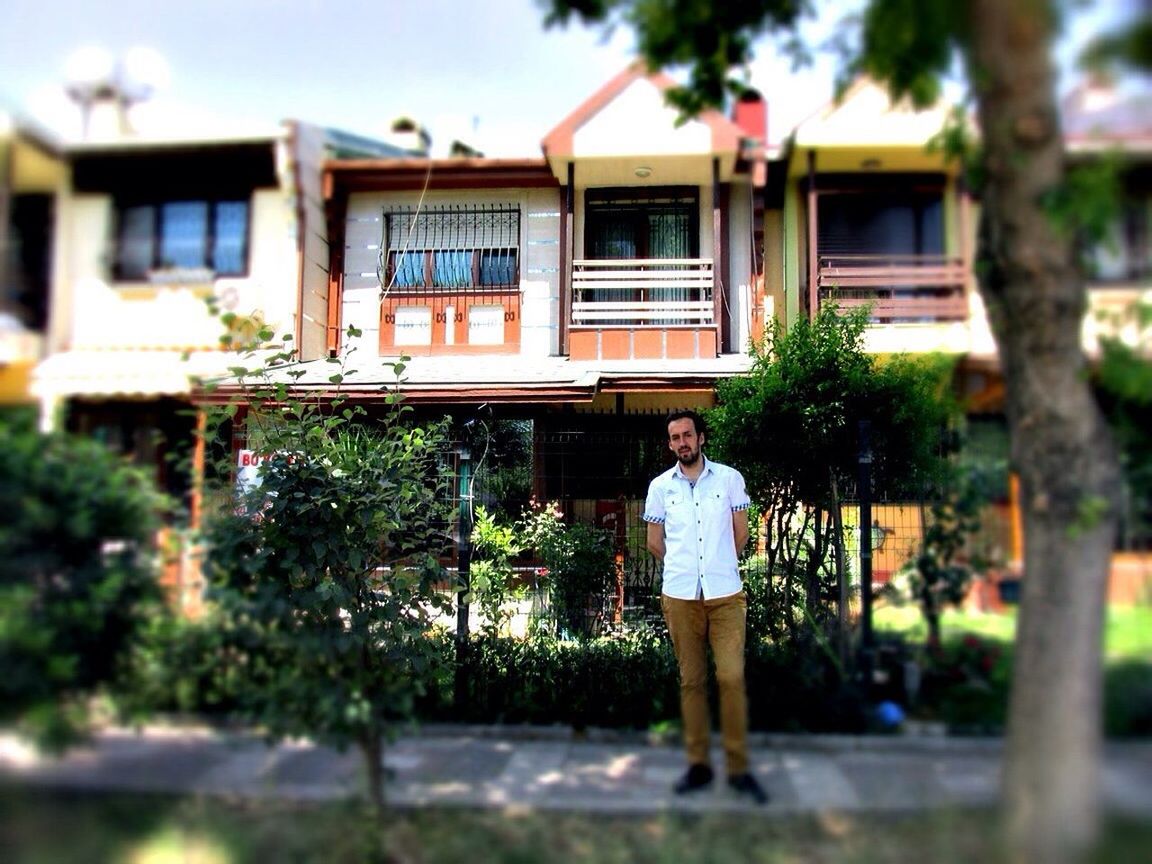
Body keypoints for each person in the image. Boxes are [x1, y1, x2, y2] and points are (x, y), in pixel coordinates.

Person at [643, 409, 767, 804]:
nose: (682, 442)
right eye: (675, 437)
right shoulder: (660, 487)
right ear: (670, 444)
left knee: (730, 678)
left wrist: (715, 565)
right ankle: (698, 766)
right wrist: (684, 569)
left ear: (701, 438)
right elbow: (654, 541)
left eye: (687, 435)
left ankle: (738, 768)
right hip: (680, 597)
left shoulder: (730, 480)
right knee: (691, 681)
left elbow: (741, 534)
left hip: (725, 594)